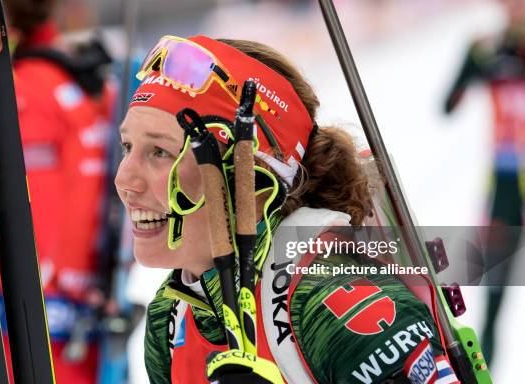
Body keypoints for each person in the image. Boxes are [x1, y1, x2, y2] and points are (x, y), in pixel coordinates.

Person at [116, 35, 460, 383]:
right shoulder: (171, 315)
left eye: (161, 152)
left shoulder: (332, 296)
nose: (124, 179)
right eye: (127, 146)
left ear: (253, 176)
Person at [0, 0, 116, 381]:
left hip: (33, 321)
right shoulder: (87, 78)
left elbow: (34, 209)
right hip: (82, 307)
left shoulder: (22, 84)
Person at [444, 0, 525, 366]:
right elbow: (448, 104)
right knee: (495, 289)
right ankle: (486, 369)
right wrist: (475, 62)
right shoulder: (488, 48)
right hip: (506, 185)